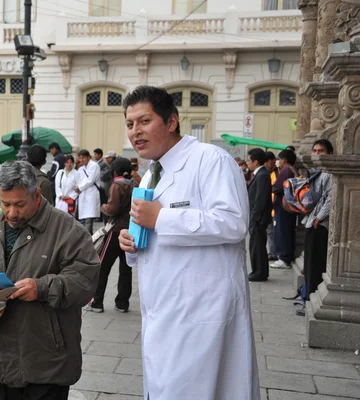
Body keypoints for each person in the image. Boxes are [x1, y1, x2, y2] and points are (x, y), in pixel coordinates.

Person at [117, 86, 259, 399]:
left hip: (201, 314)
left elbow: (233, 222)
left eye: (144, 121)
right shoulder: (153, 172)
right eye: (129, 124)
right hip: (163, 312)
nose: (135, 132)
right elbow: (156, 236)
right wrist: (132, 244)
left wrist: (162, 219)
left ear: (171, 122)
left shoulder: (211, 160)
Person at [0, 160, 100, 400]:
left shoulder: (66, 230)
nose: (12, 213)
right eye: (5, 204)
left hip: (46, 359)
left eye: (20, 204)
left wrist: (41, 288)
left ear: (37, 195)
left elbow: (85, 281)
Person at [85, 157, 135, 313]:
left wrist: (103, 207)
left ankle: (96, 301)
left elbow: (112, 209)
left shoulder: (116, 185)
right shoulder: (134, 184)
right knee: (126, 269)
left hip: (115, 231)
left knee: (102, 266)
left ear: (115, 171)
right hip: (130, 230)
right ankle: (122, 303)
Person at [298, 139, 333, 317]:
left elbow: (330, 197)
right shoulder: (315, 172)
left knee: (315, 265)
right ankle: (307, 298)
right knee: (309, 265)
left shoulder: (329, 173)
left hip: (320, 225)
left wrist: (319, 218)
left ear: (329, 154)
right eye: (315, 151)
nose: (317, 154)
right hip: (311, 222)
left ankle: (311, 301)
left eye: (321, 151)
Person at [247, 148, 272, 282]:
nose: (247, 163)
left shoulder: (262, 175)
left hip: (258, 218)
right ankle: (258, 271)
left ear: (255, 162)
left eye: (249, 160)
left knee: (258, 246)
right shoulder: (260, 174)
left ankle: (259, 272)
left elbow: (260, 199)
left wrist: (255, 217)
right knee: (256, 245)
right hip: (257, 217)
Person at [271, 150, 297, 269]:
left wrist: (273, 187)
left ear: (284, 160)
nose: (278, 162)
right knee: (286, 231)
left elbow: (278, 187)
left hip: (283, 206)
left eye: (279, 159)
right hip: (287, 206)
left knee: (282, 232)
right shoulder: (292, 169)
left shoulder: (286, 170)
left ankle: (284, 257)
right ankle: (285, 256)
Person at [74, 149, 101, 234]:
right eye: (80, 158)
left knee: (89, 219)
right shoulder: (80, 169)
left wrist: (80, 187)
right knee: (83, 219)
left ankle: (89, 238)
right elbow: (78, 181)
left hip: (91, 193)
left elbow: (91, 180)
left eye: (83, 157)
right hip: (83, 194)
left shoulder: (94, 166)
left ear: (88, 157)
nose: (82, 160)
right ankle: (87, 237)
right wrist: (77, 188)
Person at [265, 152, 278, 261]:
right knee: (269, 231)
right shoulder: (268, 173)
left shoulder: (276, 173)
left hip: (274, 206)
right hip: (269, 206)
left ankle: (273, 253)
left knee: (271, 231)